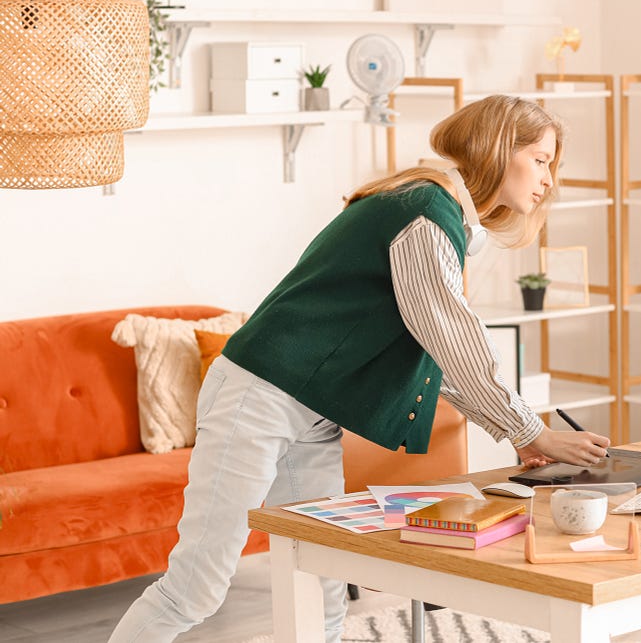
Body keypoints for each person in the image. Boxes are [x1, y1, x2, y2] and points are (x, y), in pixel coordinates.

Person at [108, 94, 611, 643]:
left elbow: (440, 343)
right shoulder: (424, 211)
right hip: (259, 399)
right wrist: (530, 429)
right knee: (195, 589)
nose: (548, 181)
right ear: (497, 149)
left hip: (312, 413)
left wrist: (521, 437)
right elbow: (451, 335)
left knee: (321, 591)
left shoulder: (434, 209)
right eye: (540, 160)